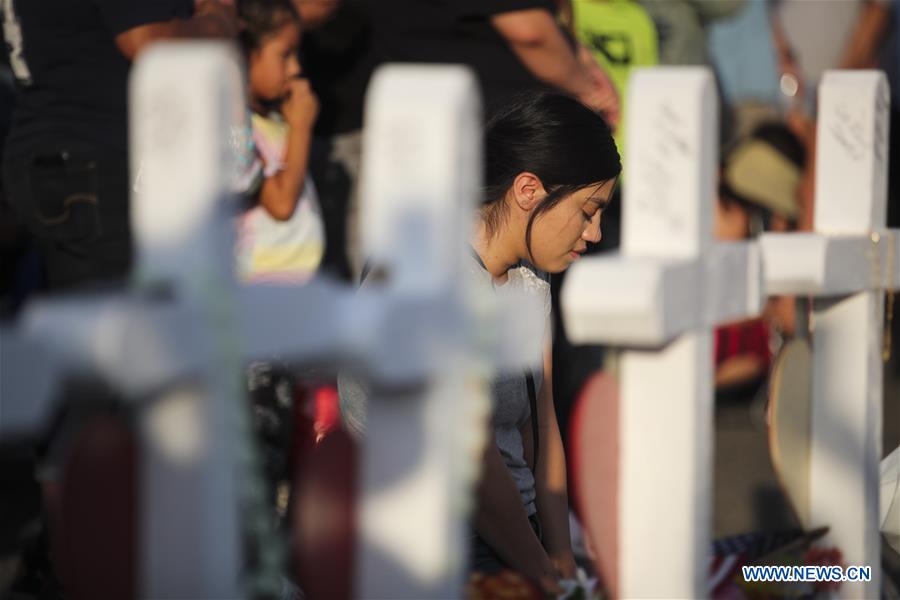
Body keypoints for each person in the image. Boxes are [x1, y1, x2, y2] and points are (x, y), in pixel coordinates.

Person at [339, 91, 621, 593]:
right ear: (528, 189)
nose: (596, 233)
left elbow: (541, 421)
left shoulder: (531, 272)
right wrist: (544, 578)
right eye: (588, 210)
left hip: (514, 533)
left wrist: (559, 555)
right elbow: (473, 467)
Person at [1, 0, 238, 291]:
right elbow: (147, 41)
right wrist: (220, 19)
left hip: (55, 158)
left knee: (86, 319)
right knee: (130, 320)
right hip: (100, 166)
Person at [236, 0, 325, 283]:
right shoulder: (238, 129)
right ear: (246, 54)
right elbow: (281, 204)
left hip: (296, 279)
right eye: (285, 55)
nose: (295, 67)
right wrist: (301, 127)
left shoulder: (274, 118)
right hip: (263, 283)